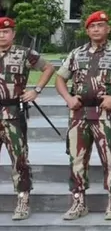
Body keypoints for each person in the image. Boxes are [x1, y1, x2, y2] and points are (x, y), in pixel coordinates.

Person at [55, 11, 111, 221]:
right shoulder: (76, 53)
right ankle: (78, 202)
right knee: (76, 158)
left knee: (110, 157)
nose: (96, 29)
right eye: (92, 26)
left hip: (105, 113)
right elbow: (59, 79)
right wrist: (68, 98)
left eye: (101, 25)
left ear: (107, 29)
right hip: (79, 114)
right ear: (87, 30)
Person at [0, 17, 55, 220]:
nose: (2, 35)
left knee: (19, 159)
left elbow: (48, 68)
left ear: (13, 34)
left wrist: (36, 90)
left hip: (14, 113)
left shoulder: (24, 53)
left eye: (6, 31)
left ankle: (23, 199)